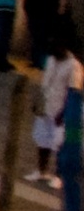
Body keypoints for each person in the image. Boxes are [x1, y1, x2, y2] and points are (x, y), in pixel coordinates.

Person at [27, 31, 84, 186]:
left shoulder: (75, 66)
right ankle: (41, 170)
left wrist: (65, 112)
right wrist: (37, 101)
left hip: (61, 109)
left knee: (60, 143)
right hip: (46, 106)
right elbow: (44, 81)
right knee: (42, 139)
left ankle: (59, 176)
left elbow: (74, 92)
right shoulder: (51, 59)